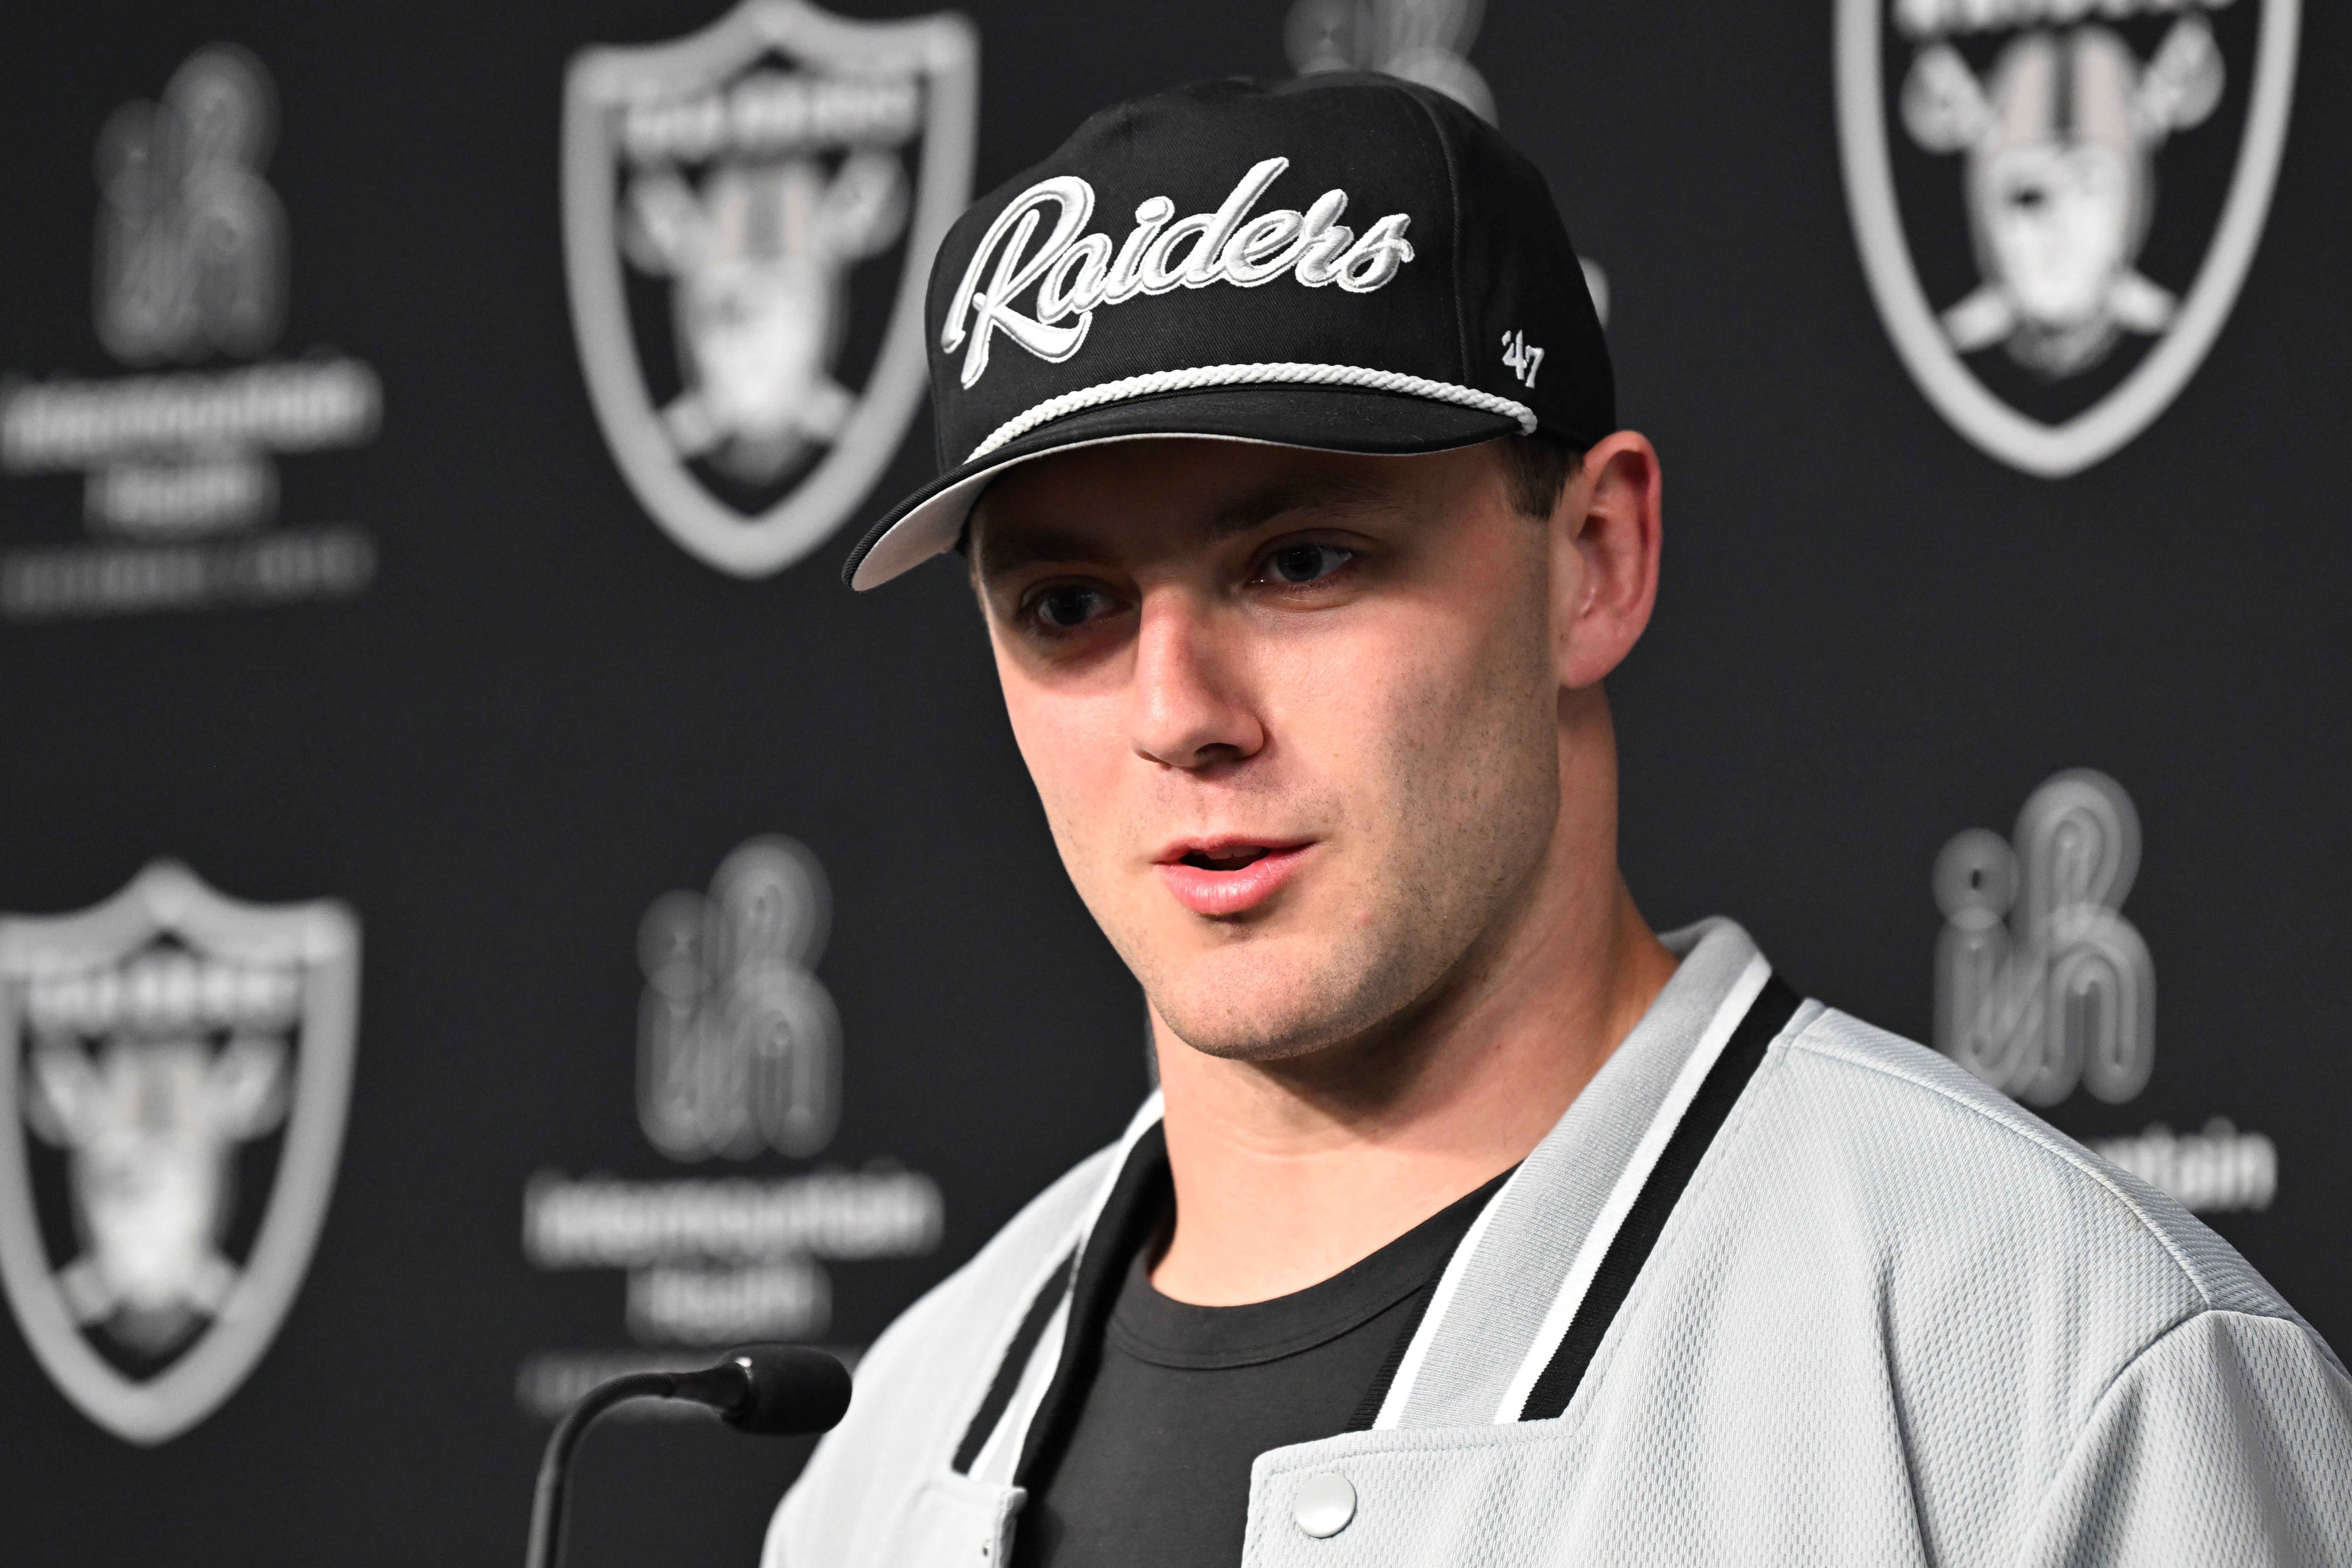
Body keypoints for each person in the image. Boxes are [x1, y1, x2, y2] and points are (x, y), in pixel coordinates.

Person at [764, 74, 2351, 1567]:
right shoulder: (882, 1459)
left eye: (1303, 560)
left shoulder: (2054, 1361)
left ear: (1593, 557)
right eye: (1067, 604)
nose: (1180, 709)